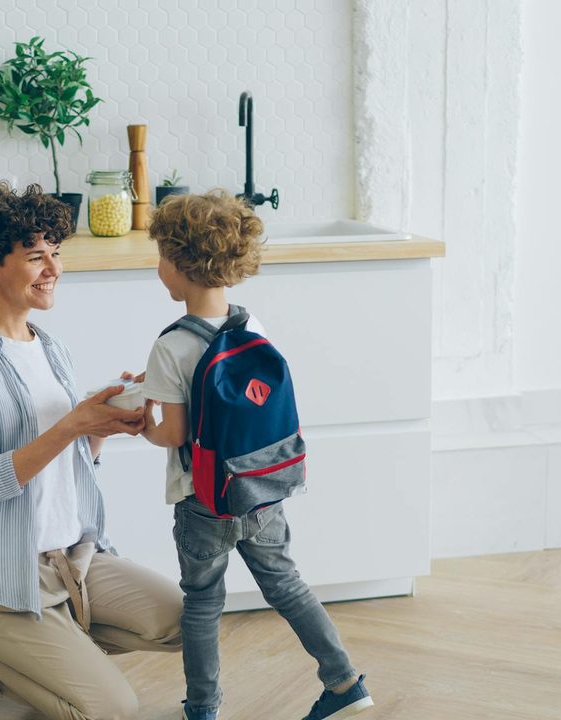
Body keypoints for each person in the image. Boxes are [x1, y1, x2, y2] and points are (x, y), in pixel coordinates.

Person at [0, 183, 182, 720]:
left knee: (186, 620)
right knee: (108, 711)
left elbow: (71, 461)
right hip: (3, 573)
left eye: (55, 253)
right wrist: (72, 423)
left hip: (76, 559)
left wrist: (104, 425)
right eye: (35, 256)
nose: (53, 269)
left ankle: (53, 641)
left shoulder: (51, 348)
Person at [138, 191, 374, 720]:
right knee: (287, 585)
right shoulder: (253, 327)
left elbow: (172, 431)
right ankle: (345, 683)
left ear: (178, 265)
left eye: (160, 258)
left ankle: (203, 708)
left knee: (202, 603)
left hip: (204, 502)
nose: (159, 270)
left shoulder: (171, 346)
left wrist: (143, 423)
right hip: (261, 492)